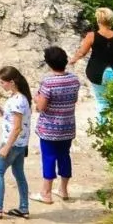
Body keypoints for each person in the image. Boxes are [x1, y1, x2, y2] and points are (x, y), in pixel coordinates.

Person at [69, 7, 113, 124]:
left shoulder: (92, 35)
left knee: (102, 102)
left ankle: (103, 127)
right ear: (111, 20)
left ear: (98, 20)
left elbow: (82, 52)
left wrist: (72, 60)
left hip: (97, 73)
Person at [34, 46, 82, 204]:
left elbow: (41, 107)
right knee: (64, 156)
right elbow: (73, 100)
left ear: (48, 63)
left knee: (49, 157)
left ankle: (46, 193)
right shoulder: (74, 79)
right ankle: (63, 189)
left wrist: (36, 99)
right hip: (67, 126)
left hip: (49, 128)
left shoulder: (48, 82)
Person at [0, 66, 33, 218]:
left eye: (2, 82)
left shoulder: (17, 101)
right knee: (19, 173)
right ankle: (24, 208)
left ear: (11, 82)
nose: (1, 85)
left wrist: (6, 147)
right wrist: (4, 114)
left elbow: (17, 127)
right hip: (21, 144)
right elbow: (17, 121)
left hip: (12, 143)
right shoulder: (23, 98)